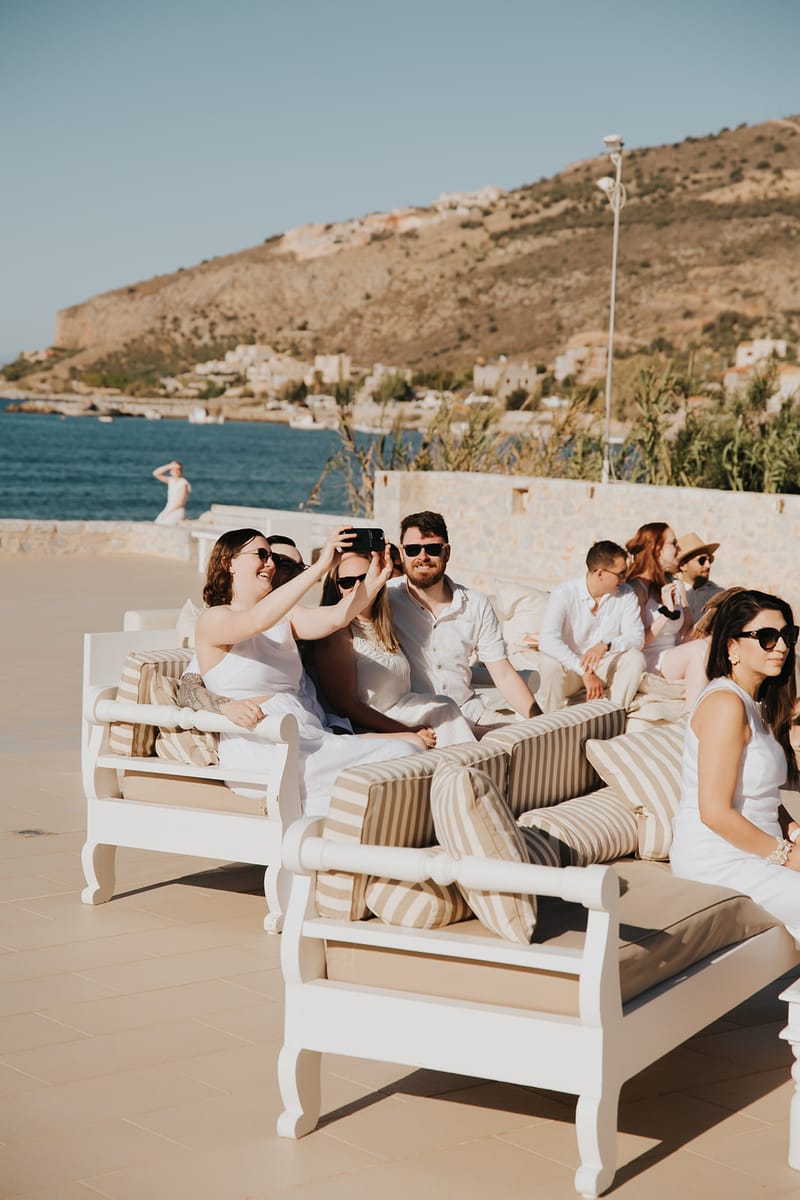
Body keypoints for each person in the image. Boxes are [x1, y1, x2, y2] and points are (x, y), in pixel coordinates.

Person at [192, 527, 421, 817]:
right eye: (261, 555)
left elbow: (337, 616)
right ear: (229, 564)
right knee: (388, 767)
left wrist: (374, 581)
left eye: (272, 557)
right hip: (262, 746)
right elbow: (256, 620)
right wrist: (322, 565)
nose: (271, 564)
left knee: (405, 753)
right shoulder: (214, 618)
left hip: (311, 738)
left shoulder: (285, 617)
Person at [670, 589, 800, 940]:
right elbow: (714, 812)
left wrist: (794, 831)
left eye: (788, 635)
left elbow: (763, 795)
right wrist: (788, 857)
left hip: (757, 850)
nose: (782, 646)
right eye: (767, 637)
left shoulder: (756, 704)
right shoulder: (725, 704)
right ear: (731, 647)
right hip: (719, 859)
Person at [387, 511, 538, 729]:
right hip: (414, 719)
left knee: (525, 737)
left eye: (432, 549)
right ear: (402, 554)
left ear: (446, 552)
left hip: (469, 711)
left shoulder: (476, 605)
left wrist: (541, 722)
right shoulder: (385, 599)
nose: (422, 557)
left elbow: (503, 674)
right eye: (412, 550)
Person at [315, 546, 476, 748]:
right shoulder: (338, 634)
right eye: (346, 582)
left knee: (443, 706)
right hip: (370, 726)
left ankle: (468, 770)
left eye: (365, 579)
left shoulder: (384, 624)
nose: (357, 588)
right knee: (443, 710)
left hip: (403, 712)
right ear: (336, 588)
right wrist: (407, 732)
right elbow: (346, 706)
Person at [536, 541, 645, 712]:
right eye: (621, 573)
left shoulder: (627, 593)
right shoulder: (564, 593)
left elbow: (637, 638)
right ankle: (551, 723)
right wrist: (584, 671)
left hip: (604, 669)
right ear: (600, 573)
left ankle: (612, 715)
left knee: (635, 657)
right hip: (571, 671)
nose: (625, 578)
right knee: (549, 663)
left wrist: (606, 645)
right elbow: (547, 641)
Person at [658, 586, 744, 709]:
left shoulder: (678, 586)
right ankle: (693, 713)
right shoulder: (639, 587)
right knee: (702, 648)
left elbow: (687, 637)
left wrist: (707, 617)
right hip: (658, 657)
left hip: (681, 652)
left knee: (707, 645)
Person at [625, 523, 694, 674]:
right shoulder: (635, 589)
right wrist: (667, 613)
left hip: (673, 659)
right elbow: (638, 643)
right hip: (649, 662)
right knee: (699, 652)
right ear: (657, 549)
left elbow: (687, 635)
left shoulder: (677, 585)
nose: (679, 549)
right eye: (673, 544)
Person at [676, 532, 724, 623]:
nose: (708, 565)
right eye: (702, 560)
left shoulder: (720, 595)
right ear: (683, 566)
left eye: (709, 560)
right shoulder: (672, 593)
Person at [152, 460, 191, 525]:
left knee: (163, 524)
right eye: (172, 469)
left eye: (176, 469)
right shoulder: (171, 480)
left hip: (177, 511)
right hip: (168, 509)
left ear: (180, 470)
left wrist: (168, 513)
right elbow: (155, 473)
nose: (173, 471)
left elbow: (180, 503)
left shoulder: (183, 483)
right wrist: (169, 466)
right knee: (156, 523)